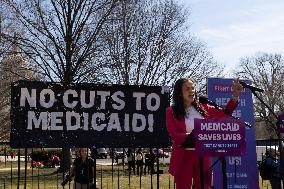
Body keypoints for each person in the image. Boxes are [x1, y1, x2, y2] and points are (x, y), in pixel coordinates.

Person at [166, 77, 243, 189]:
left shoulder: (204, 107)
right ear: (179, 92)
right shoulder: (170, 111)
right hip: (183, 157)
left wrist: (235, 96)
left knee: (204, 186)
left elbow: (224, 114)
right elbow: (175, 135)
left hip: (203, 155)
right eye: (187, 89)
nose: (191, 91)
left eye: (193, 88)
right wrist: (199, 135)